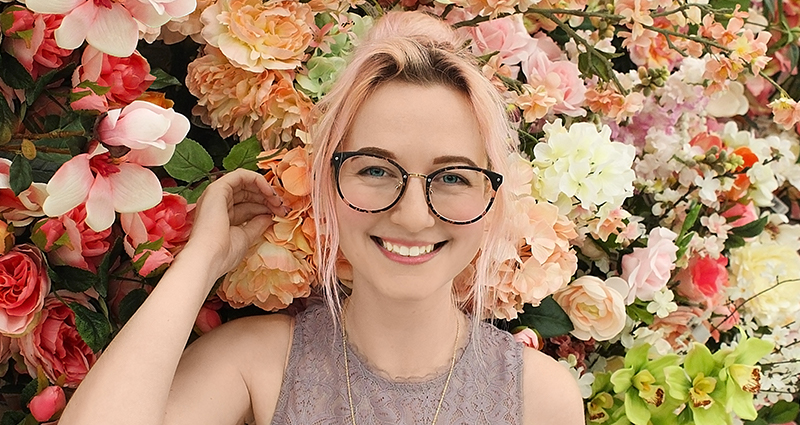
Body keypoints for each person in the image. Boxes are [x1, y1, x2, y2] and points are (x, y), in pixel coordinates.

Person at [58, 10, 584, 425]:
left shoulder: (539, 397)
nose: (413, 214)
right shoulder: (258, 364)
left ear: (492, 202)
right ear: (325, 186)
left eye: (452, 178)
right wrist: (202, 261)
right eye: (376, 169)